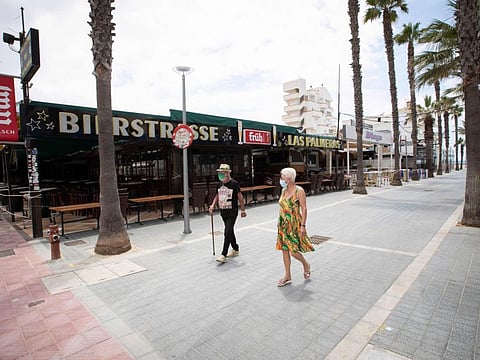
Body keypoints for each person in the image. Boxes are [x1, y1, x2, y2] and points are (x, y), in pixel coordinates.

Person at [276, 167, 314, 287]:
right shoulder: (283, 190)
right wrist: (279, 222)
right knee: (284, 250)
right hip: (283, 224)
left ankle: (306, 264)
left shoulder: (299, 191)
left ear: (288, 178)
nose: (280, 179)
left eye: (282, 176)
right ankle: (287, 275)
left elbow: (304, 208)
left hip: (294, 224)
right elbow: (282, 206)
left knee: (293, 252)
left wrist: (303, 225)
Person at [209, 164, 247, 263]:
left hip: (232, 211)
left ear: (227, 173)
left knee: (227, 231)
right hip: (223, 211)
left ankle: (223, 254)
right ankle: (235, 248)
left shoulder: (234, 183)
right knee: (229, 231)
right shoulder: (219, 184)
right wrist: (212, 205)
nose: (220, 175)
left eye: (222, 173)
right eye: (219, 173)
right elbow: (217, 195)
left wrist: (243, 210)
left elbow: (240, 197)